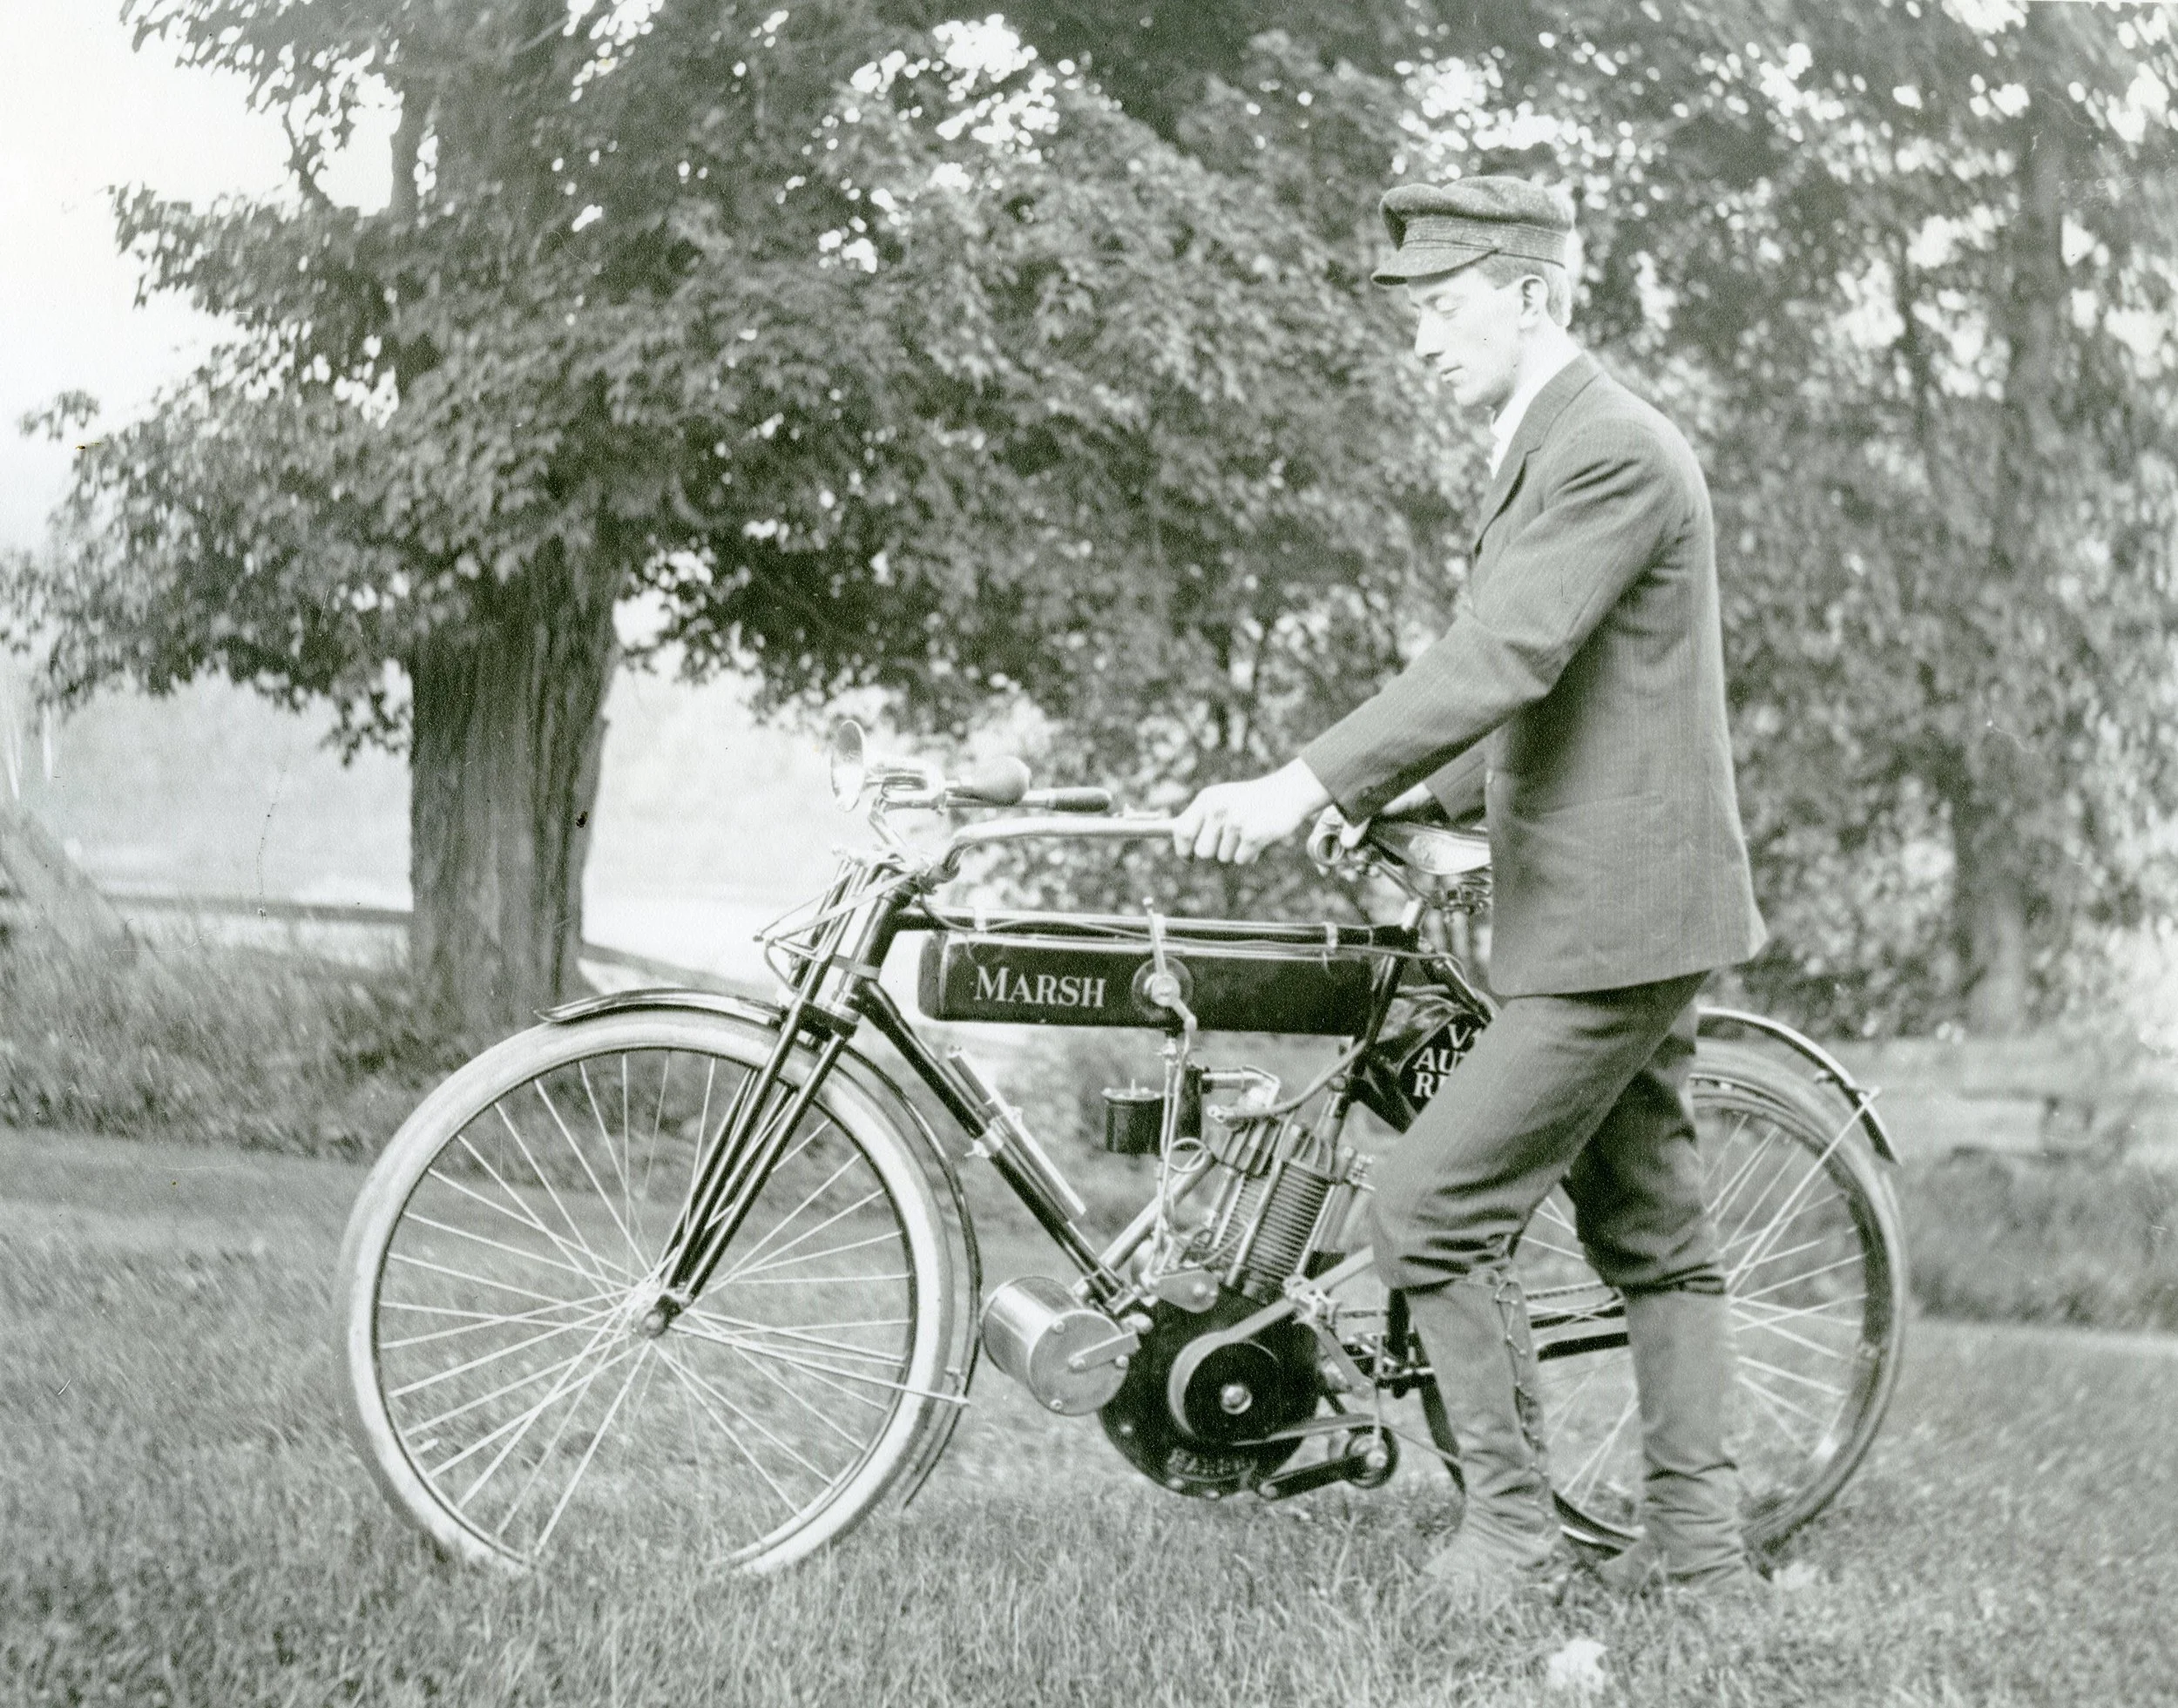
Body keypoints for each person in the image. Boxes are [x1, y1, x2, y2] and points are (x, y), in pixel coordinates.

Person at [1169, 176, 1768, 1603]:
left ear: (1534, 298)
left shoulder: (1608, 449)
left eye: (1442, 310)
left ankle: (1512, 1538)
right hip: (1615, 903)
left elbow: (1504, 659)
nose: (1422, 340)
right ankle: (1706, 1566)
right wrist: (1390, 798)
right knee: (1655, 1239)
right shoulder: (1554, 446)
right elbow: (1563, 692)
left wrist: (1303, 782)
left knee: (1430, 1206)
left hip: (1614, 921)